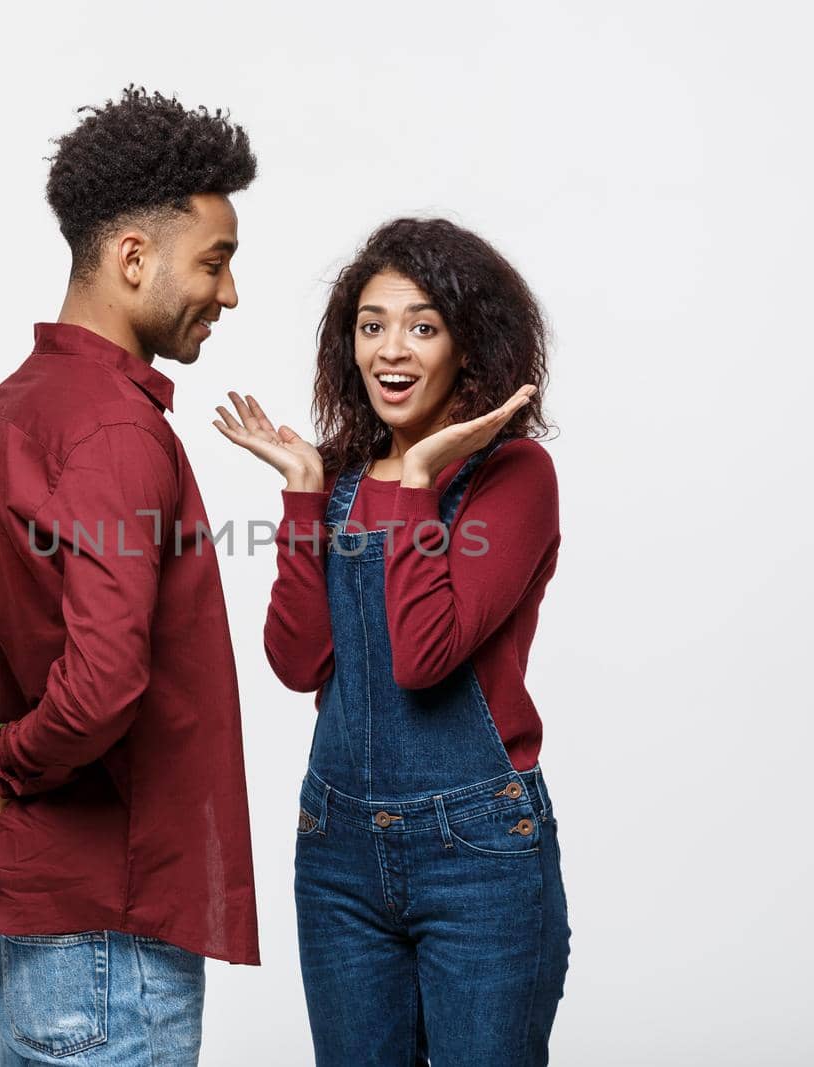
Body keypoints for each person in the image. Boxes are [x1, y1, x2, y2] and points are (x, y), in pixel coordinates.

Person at [0, 85, 262, 1067]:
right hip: (110, 942)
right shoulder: (109, 429)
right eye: (215, 261)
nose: (229, 292)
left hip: (50, 933)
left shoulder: (15, 410)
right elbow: (101, 681)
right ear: (132, 257)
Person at [214, 217, 571, 1066]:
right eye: (371, 325)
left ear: (468, 342)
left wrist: (415, 481)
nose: (390, 349)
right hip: (336, 855)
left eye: (421, 324)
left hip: (479, 854)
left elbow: (425, 653)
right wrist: (305, 493)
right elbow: (296, 660)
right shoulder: (335, 477)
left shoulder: (515, 478)